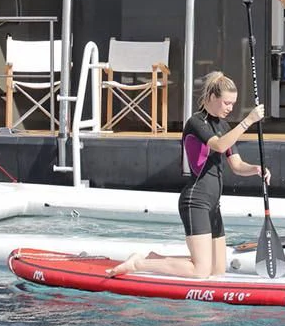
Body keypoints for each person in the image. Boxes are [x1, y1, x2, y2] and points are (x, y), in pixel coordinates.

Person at [105, 71, 269, 278]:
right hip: (196, 201)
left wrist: (255, 169)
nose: (230, 108)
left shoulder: (224, 126)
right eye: (227, 103)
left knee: (217, 270)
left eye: (233, 104)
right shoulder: (196, 122)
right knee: (201, 271)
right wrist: (248, 121)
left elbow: (237, 165)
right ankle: (138, 264)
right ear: (212, 98)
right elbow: (219, 145)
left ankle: (151, 258)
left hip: (213, 205)